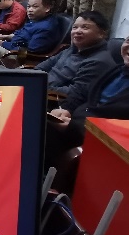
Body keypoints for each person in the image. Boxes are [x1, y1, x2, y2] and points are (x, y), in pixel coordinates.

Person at [46, 36, 129, 170]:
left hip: (96, 143)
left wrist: (72, 126)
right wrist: (66, 108)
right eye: (128, 41)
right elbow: (83, 93)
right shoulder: (116, 70)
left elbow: (118, 129)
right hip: (73, 124)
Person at [30, 11, 116, 98]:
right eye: (75, 27)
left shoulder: (99, 62)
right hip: (40, 89)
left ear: (101, 34)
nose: (77, 31)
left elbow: (74, 93)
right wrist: (31, 80)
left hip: (54, 100)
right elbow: (44, 66)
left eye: (85, 27)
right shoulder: (73, 48)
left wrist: (41, 87)